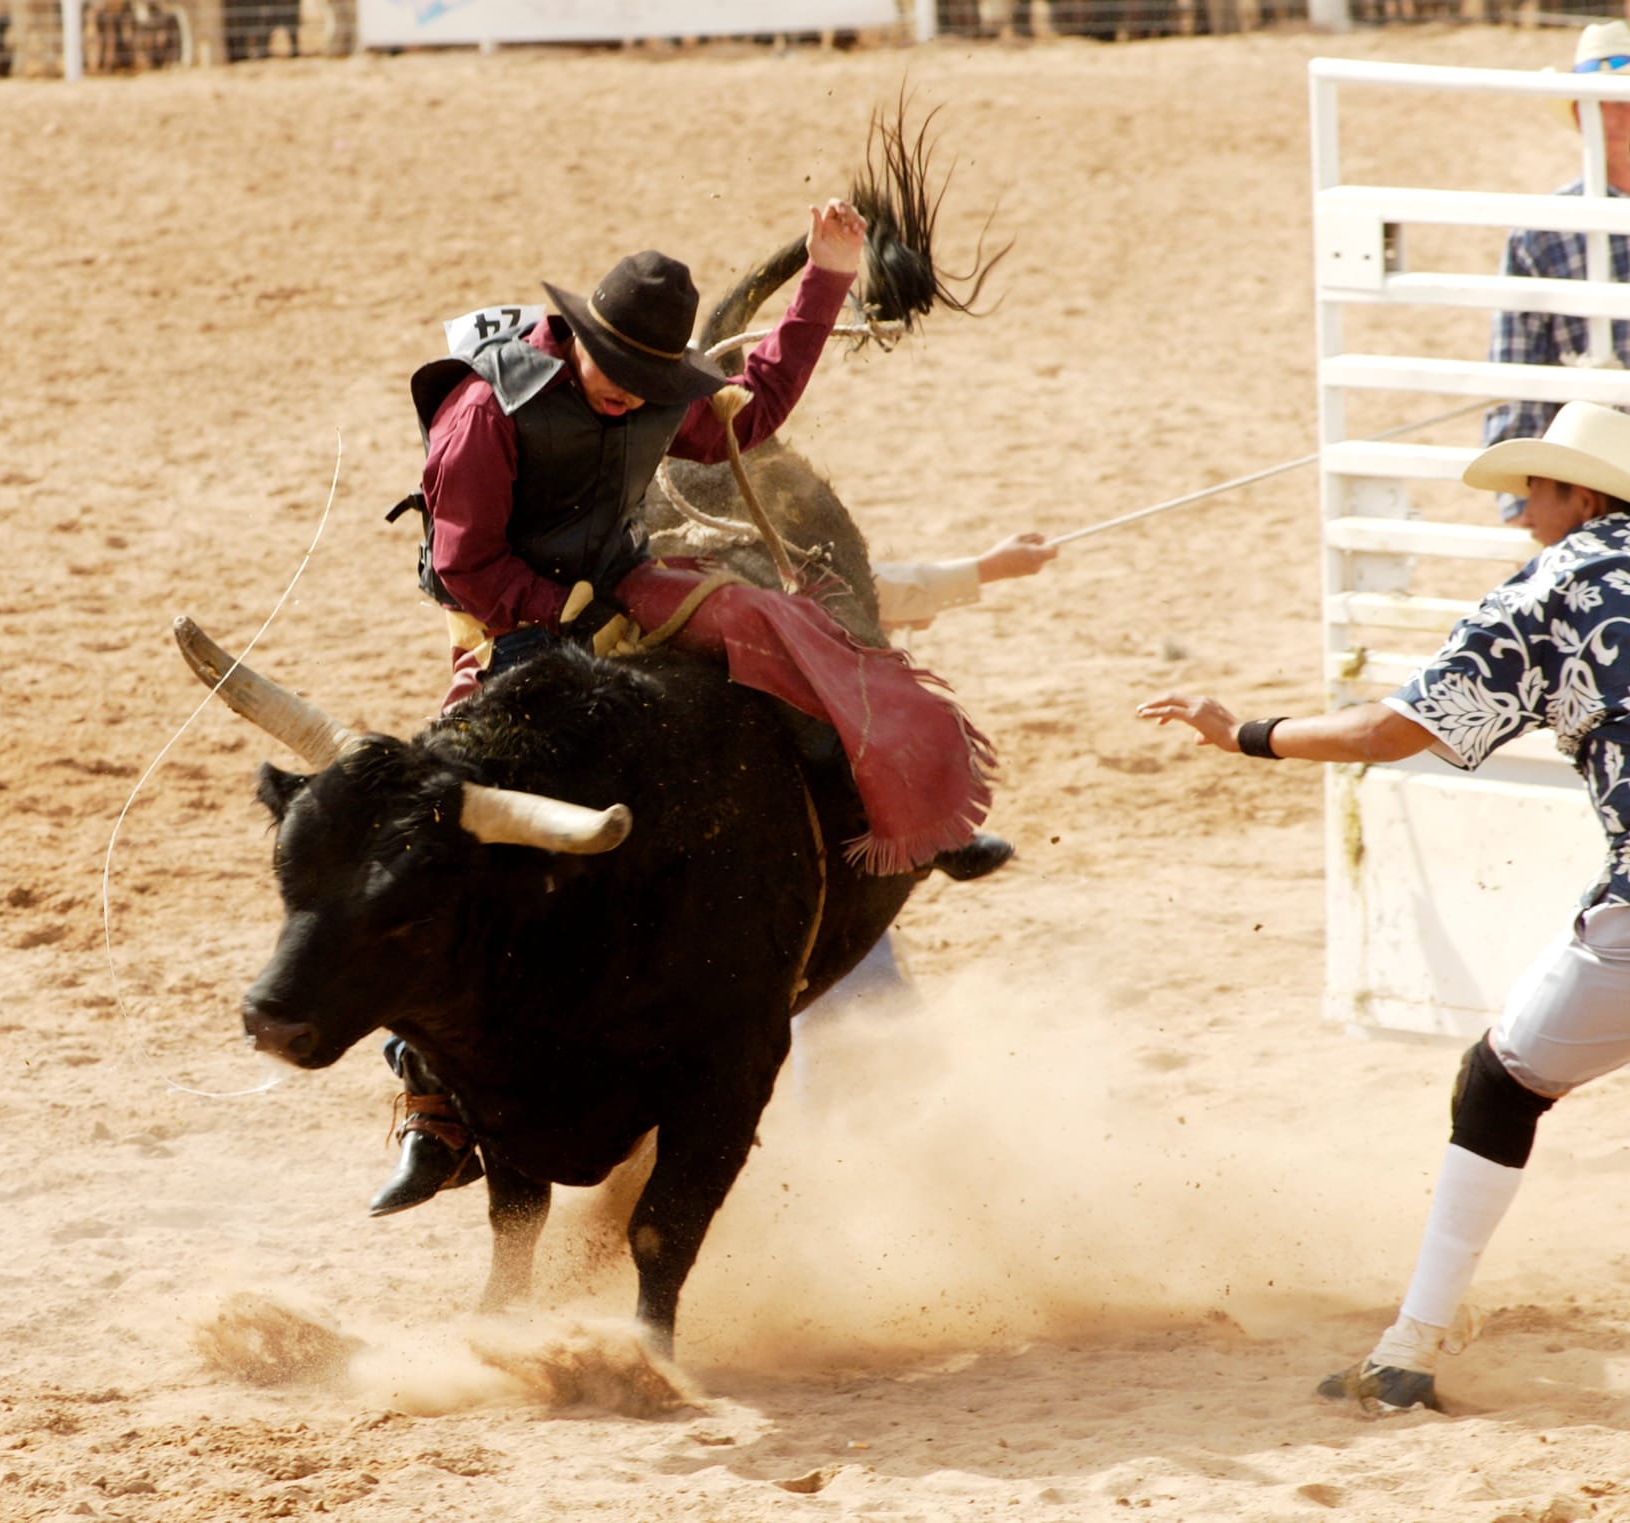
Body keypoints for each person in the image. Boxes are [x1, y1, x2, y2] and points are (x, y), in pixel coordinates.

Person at [369, 203, 1011, 1215]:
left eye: (649, 386)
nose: (632, 403)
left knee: (784, 630)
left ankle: (904, 806)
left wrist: (826, 279)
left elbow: (750, 412)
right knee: (433, 823)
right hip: (510, 626)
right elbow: (464, 563)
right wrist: (555, 613)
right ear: (576, 338)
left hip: (622, 583)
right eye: (619, 378)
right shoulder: (482, 416)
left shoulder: (652, 397)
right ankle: (430, 1098)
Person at [1136, 399, 1630, 1414]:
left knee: (1499, 1082)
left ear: (1577, 494)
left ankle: (1409, 1346)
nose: (1516, 514)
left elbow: (1389, 729)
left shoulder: (1551, 587)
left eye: (1529, 489)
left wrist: (1248, 734)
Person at [1481, 21, 1630, 523]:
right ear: (1579, 114)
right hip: (1590, 482)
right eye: (1605, 100)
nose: (1621, 114)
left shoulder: (1543, 228)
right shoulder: (1541, 232)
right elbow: (1518, 370)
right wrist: (1522, 505)